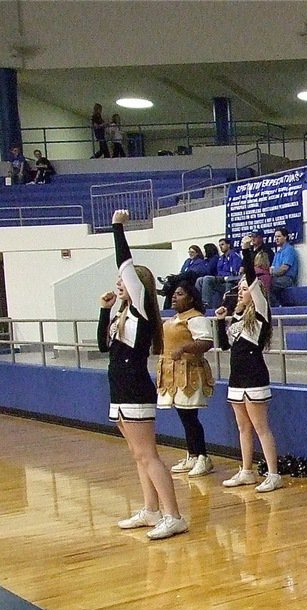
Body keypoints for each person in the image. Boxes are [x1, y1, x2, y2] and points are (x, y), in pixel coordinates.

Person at [97, 209, 188, 541]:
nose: (120, 283)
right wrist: (104, 309)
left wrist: (117, 227)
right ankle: (151, 509)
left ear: (138, 288)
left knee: (148, 455)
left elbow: (124, 264)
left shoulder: (140, 311)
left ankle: (173, 515)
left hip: (135, 388)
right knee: (138, 455)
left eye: (126, 281)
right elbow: (103, 347)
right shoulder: (123, 315)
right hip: (119, 387)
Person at [214, 260, 283, 494]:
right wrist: (220, 321)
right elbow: (224, 346)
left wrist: (245, 254)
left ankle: (273, 474)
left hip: (254, 377)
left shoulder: (261, 314)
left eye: (245, 289)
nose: (241, 292)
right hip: (237, 379)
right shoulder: (238, 316)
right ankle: (246, 470)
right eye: (239, 289)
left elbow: (253, 282)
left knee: (260, 427)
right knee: (243, 428)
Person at [159, 281, 216, 478]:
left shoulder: (196, 318)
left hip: (189, 373)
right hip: (173, 374)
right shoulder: (175, 318)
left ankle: (203, 457)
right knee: (184, 417)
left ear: (191, 298)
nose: (174, 297)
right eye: (174, 294)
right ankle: (192, 455)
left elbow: (206, 342)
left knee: (191, 418)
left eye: (180, 294)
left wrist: (184, 348)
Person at [161, 245, 213, 310]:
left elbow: (195, 272)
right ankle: (166, 303)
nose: (190, 254)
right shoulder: (187, 261)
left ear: (197, 253)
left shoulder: (200, 261)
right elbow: (182, 271)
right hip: (183, 279)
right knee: (172, 286)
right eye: (189, 252)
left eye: (192, 252)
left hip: (192, 279)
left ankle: (168, 280)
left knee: (184, 275)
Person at [200, 237, 243, 310]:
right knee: (205, 279)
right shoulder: (221, 258)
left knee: (229, 284)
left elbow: (234, 272)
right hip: (221, 279)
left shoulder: (235, 256)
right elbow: (219, 271)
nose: (220, 247)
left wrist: (224, 275)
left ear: (228, 245)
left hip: (231, 281)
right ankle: (205, 304)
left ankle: (226, 307)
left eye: (222, 244)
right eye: (219, 245)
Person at [268, 227, 299, 307]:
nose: (276, 239)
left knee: (269, 283)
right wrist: (273, 271)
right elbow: (271, 268)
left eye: (279, 236)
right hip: (278, 279)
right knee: (265, 282)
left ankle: (278, 306)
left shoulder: (289, 250)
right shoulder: (278, 253)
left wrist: (273, 272)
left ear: (285, 237)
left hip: (287, 279)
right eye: (275, 237)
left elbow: (283, 269)